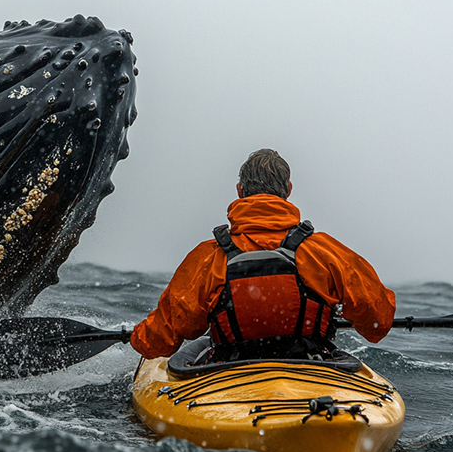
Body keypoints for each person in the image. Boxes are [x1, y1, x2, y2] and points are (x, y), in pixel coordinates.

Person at [130, 149, 395, 363]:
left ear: (240, 191)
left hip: (230, 374)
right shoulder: (325, 252)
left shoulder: (208, 258)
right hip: (312, 370)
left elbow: (159, 341)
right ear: (288, 189)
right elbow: (378, 322)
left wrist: (138, 338)